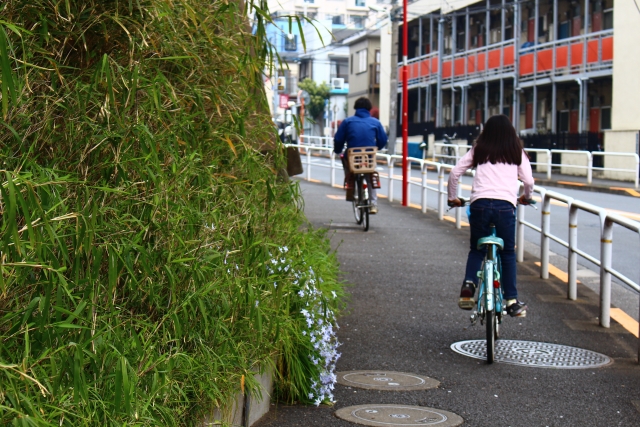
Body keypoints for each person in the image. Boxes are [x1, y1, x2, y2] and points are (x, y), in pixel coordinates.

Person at [447, 115, 534, 317]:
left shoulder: (480, 149)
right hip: (505, 206)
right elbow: (529, 181)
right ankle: (511, 300)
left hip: (480, 205)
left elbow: (454, 173)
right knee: (507, 253)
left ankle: (469, 285)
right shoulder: (516, 151)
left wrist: (453, 198)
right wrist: (525, 197)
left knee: (477, 249)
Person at [334, 97, 388, 214]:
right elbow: (383, 140)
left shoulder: (348, 122)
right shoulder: (376, 122)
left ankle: (351, 187)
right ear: (369, 108)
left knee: (347, 163)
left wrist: (338, 150)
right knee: (370, 176)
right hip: (368, 157)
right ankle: (373, 204)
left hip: (353, 157)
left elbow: (338, 139)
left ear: (355, 108)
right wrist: (376, 147)